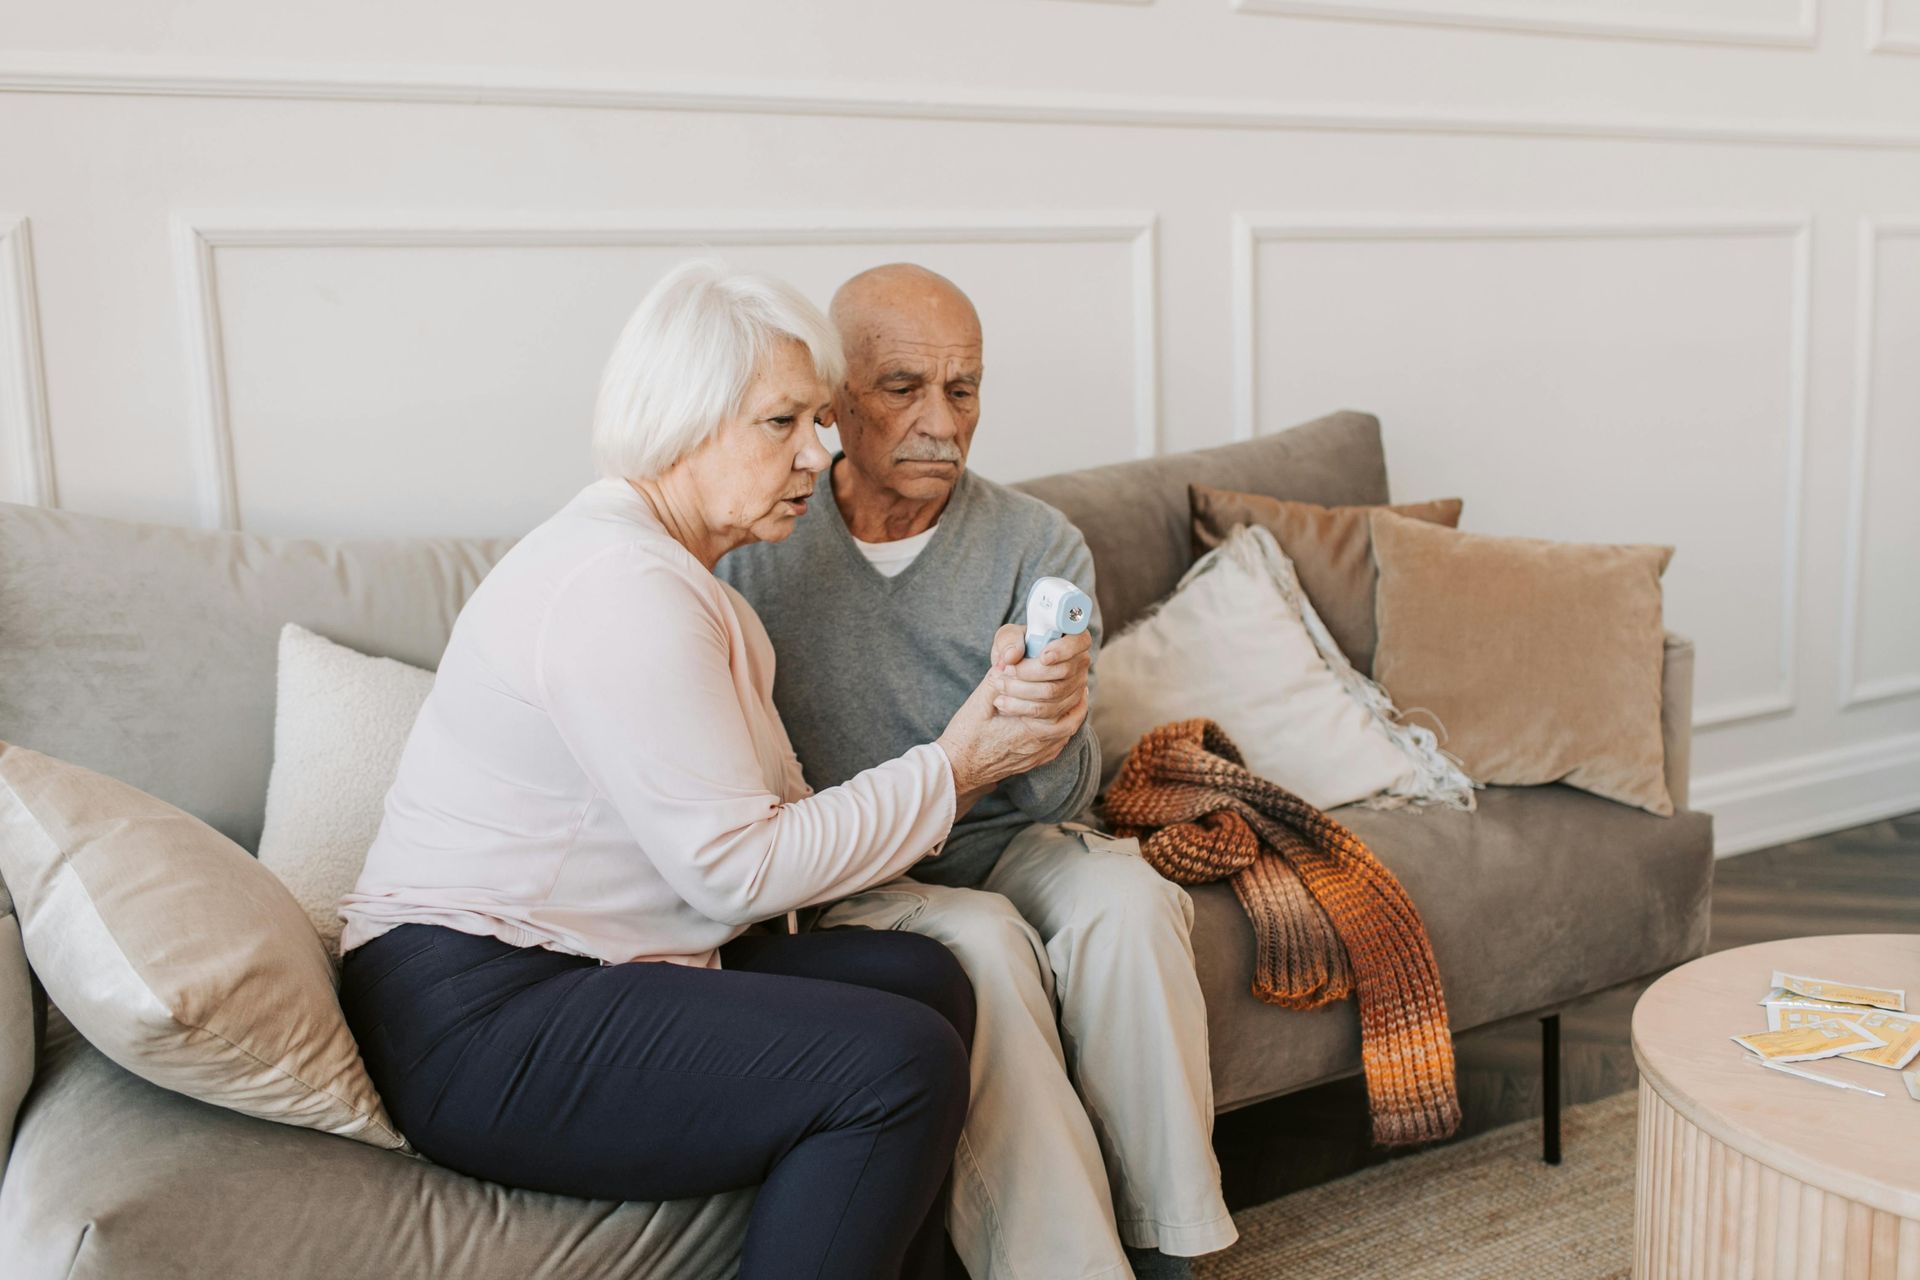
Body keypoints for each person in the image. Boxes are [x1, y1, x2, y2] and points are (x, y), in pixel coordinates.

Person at [337, 261, 1087, 1280]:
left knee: (923, 979)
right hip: (481, 1009)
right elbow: (735, 871)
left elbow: (768, 822)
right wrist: (954, 766)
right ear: (681, 421)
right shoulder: (621, 585)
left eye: (819, 421)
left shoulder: (691, 584)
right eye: (782, 423)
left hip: (594, 961)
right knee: (895, 1062)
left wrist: (982, 742)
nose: (819, 453)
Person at [718, 264, 1237, 1280]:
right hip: (858, 864)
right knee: (983, 945)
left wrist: (1052, 727)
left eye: (965, 389)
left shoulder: (1036, 541)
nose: (942, 422)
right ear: (833, 397)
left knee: (1129, 899)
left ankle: (1172, 1248)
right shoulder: (761, 540)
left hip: (1012, 837)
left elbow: (1054, 800)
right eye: (904, 386)